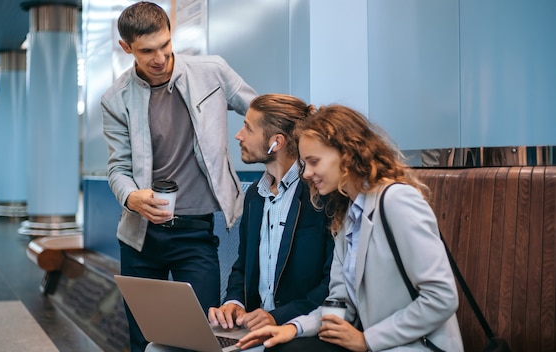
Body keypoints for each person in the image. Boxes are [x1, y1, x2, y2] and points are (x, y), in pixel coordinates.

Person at [237, 105, 463, 351]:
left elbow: (442, 298)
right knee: (283, 346)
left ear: (347, 154)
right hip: (371, 340)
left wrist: (367, 340)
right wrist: (292, 328)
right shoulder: (347, 213)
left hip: (415, 345)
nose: (307, 173)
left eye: (313, 162)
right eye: (304, 164)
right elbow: (339, 304)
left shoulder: (397, 200)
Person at [100, 2, 257, 351]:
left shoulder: (212, 71)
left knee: (202, 338)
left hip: (195, 234)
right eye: (146, 51)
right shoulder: (115, 99)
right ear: (127, 48)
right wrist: (131, 197)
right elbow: (118, 169)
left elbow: (261, 112)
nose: (159, 58)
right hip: (140, 238)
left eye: (164, 46)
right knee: (144, 341)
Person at [146, 94, 334, 352]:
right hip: (252, 328)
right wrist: (234, 302)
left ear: (275, 142)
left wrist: (276, 317)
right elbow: (242, 267)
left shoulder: (320, 196)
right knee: (159, 348)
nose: (239, 135)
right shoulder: (255, 196)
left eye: (248, 127)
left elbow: (330, 283)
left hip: (296, 328)